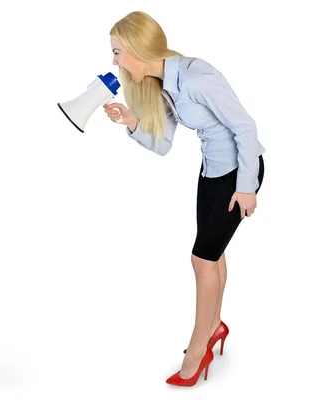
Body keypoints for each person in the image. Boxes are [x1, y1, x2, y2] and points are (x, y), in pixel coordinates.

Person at [104, 11, 265, 386]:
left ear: (137, 48)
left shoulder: (195, 76)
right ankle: (214, 327)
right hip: (211, 173)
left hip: (238, 173)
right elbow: (162, 145)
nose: (114, 62)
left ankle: (198, 349)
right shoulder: (165, 85)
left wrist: (247, 186)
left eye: (117, 53)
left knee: (201, 259)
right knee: (213, 254)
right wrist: (131, 120)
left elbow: (245, 126)